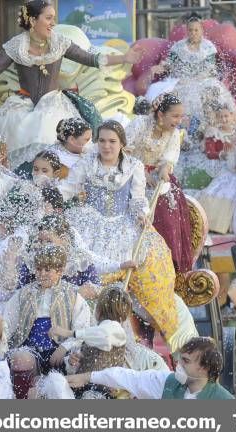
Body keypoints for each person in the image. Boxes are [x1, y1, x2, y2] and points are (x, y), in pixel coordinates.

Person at [0, 0, 143, 168]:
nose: (52, 23)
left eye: (53, 18)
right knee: (13, 144)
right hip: (21, 106)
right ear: (33, 20)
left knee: (52, 137)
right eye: (48, 18)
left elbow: (92, 59)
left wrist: (124, 57)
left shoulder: (59, 42)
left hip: (53, 105)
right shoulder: (15, 45)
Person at [62, 121, 182, 350]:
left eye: (112, 141)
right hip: (90, 223)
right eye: (102, 141)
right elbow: (69, 189)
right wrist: (50, 197)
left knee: (151, 260)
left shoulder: (133, 166)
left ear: (121, 144)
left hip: (123, 223)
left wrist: (142, 214)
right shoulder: (86, 164)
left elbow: (137, 200)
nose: (106, 146)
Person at [0, 245, 91, 399]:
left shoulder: (73, 295)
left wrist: (64, 347)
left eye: (47, 269)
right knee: (20, 358)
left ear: (60, 271)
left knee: (71, 365)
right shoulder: (24, 293)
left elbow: (82, 329)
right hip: (30, 348)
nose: (42, 273)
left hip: (61, 352)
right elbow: (7, 324)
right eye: (39, 269)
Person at [124, 94, 193, 273]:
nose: (179, 121)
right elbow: (124, 150)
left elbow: (169, 158)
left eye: (181, 116)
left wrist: (165, 168)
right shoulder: (140, 123)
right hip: (131, 173)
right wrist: (143, 175)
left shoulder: (174, 133)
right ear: (161, 114)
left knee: (166, 207)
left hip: (157, 178)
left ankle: (165, 263)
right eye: (175, 116)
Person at [146, 12, 236, 134]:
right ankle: (180, 133)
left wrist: (195, 78)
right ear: (187, 31)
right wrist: (159, 67)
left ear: (201, 30)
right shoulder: (178, 47)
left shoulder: (208, 47)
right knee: (170, 97)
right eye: (190, 30)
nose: (193, 33)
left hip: (204, 81)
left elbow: (209, 69)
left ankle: (210, 131)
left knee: (211, 94)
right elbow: (169, 64)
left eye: (196, 30)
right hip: (184, 82)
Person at [66, 337, 234, 399]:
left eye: (186, 361)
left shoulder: (224, 401)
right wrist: (86, 377)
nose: (179, 365)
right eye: (180, 359)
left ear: (204, 369)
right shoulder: (167, 382)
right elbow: (126, 377)